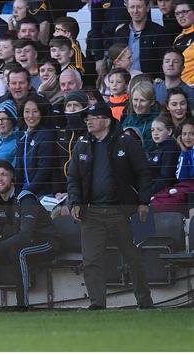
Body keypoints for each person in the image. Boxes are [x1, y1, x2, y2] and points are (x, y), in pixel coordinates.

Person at [67, 102, 154, 310]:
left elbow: (144, 173)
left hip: (121, 212)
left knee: (133, 258)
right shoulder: (81, 144)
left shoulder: (127, 142)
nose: (88, 120)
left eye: (93, 117)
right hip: (92, 213)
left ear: (106, 120)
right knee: (91, 261)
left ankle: (145, 301)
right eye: (87, 117)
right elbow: (73, 177)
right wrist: (75, 201)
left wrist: (143, 202)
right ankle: (97, 304)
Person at [0, 160, 61, 310]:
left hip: (46, 243)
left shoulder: (26, 198)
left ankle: (22, 305)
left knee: (19, 252)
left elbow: (25, 235)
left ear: (12, 177)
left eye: (3, 175)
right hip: (20, 243)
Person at [114, 0, 170, 78]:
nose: (135, 11)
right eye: (132, 7)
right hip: (123, 83)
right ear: (127, 9)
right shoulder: (120, 32)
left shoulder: (160, 32)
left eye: (139, 7)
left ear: (147, 8)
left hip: (149, 85)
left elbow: (165, 62)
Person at [15, 93, 55, 197]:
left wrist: (29, 191)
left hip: (41, 193)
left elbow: (44, 169)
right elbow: (19, 167)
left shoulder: (46, 135)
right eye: (27, 111)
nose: (30, 116)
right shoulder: (22, 135)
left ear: (41, 112)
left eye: (35, 111)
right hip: (24, 191)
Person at [122, 81, 160, 153]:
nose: (138, 104)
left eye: (142, 100)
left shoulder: (157, 122)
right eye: (135, 100)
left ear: (152, 102)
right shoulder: (129, 119)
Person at [148, 115, 181, 194]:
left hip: (163, 192)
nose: (155, 133)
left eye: (159, 130)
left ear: (169, 131)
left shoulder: (170, 148)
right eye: (152, 130)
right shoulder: (155, 148)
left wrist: (148, 193)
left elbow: (166, 178)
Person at [172, 0, 194, 86]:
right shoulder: (178, 38)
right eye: (177, 13)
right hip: (179, 88)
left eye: (184, 12)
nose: (180, 16)